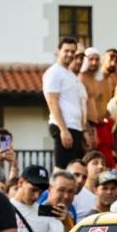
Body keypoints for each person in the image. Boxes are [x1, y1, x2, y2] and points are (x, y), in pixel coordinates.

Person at [44, 36, 87, 170]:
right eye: (66, 50)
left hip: (75, 128)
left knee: (73, 171)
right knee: (61, 171)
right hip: (64, 126)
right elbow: (52, 102)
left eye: (72, 51)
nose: (70, 54)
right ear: (58, 51)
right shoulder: (54, 72)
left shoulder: (70, 74)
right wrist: (63, 130)